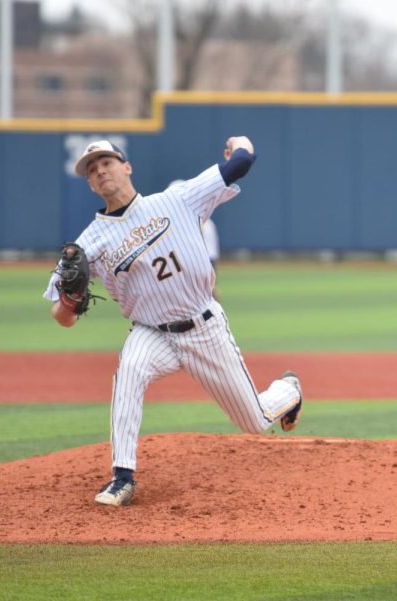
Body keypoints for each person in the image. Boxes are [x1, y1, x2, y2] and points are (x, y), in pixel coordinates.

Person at [44, 137, 303, 507]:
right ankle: (122, 477)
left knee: (254, 420)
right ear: (89, 184)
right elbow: (61, 317)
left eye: (107, 162)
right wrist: (70, 299)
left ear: (126, 166)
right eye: (92, 169)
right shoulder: (89, 244)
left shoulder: (178, 199)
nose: (100, 171)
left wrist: (238, 145)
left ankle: (289, 389)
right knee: (129, 371)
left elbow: (243, 161)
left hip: (205, 328)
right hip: (152, 332)